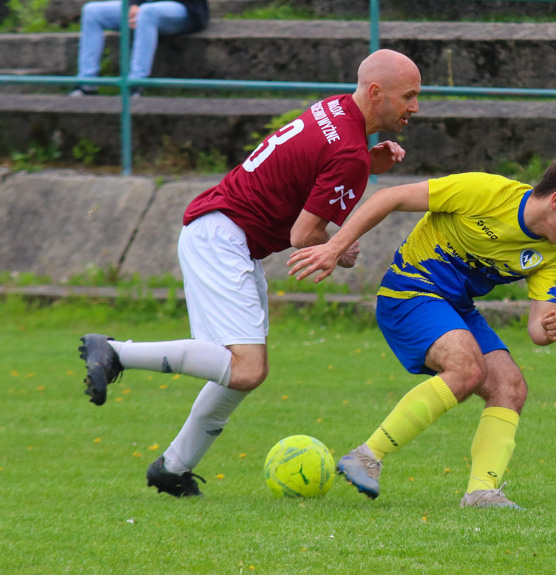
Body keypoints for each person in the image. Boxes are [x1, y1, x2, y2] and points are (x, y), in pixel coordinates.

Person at [77, 49, 422, 497]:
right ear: (376, 93)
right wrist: (337, 248)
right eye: (408, 96)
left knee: (239, 373)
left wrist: (362, 168)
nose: (415, 107)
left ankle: (173, 468)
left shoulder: (336, 110)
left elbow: (314, 165)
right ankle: (114, 352)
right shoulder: (350, 152)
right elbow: (304, 233)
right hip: (223, 238)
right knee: (246, 369)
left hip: (226, 234)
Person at [287, 152, 556, 508]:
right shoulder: (486, 192)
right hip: (410, 290)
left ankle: (481, 493)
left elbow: (538, 327)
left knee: (510, 386)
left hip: (456, 308)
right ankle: (367, 456)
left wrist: (549, 328)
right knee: (467, 368)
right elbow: (390, 197)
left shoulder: (553, 253)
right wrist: (335, 246)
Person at [70, 0, 209, 97]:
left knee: (147, 12)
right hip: (145, 7)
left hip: (184, 9)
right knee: (92, 11)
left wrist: (139, 6)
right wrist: (134, 4)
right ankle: (87, 83)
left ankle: (135, 84)